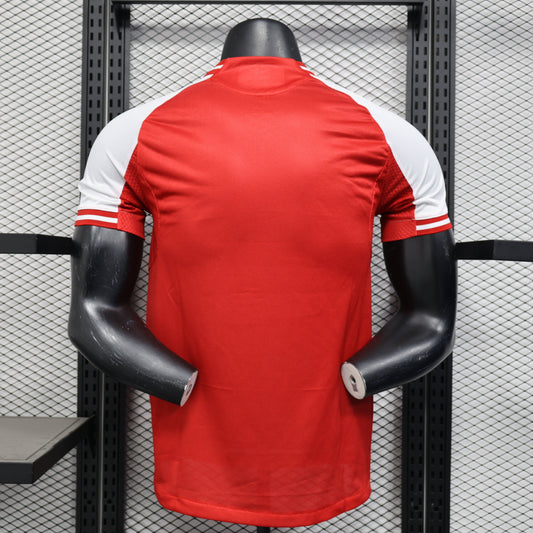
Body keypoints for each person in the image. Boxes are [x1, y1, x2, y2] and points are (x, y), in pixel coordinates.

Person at [69, 18, 456, 527]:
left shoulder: (130, 132)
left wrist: (172, 382)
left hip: (288, 437)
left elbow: (94, 311)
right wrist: (363, 376)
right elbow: (432, 319)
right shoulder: (394, 135)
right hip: (238, 436)